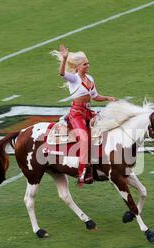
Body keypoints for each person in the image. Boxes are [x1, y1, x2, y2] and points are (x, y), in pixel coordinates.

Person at [51, 44, 116, 186]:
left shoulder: (90, 78)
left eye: (88, 63)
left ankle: (105, 163)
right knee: (85, 139)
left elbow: (95, 96)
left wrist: (107, 98)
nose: (88, 65)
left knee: (107, 129)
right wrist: (65, 58)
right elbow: (62, 73)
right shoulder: (74, 79)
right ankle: (83, 172)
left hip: (88, 112)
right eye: (85, 64)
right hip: (77, 114)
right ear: (78, 67)